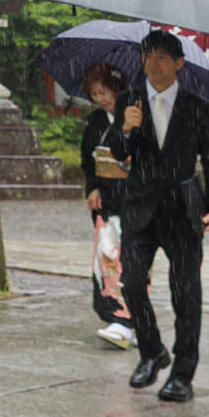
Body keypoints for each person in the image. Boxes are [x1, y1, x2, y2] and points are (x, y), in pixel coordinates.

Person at [114, 30, 209, 403]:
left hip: (183, 210)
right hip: (140, 207)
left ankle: (183, 373)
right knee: (132, 283)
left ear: (179, 63)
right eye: (149, 56)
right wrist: (125, 128)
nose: (154, 64)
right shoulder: (128, 101)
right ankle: (152, 351)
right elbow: (116, 154)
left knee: (186, 293)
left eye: (163, 57)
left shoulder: (200, 107)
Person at [75, 63, 140, 352]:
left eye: (104, 92)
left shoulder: (136, 115)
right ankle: (116, 315)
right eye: (94, 94)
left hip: (134, 198)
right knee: (106, 257)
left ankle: (129, 318)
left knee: (132, 260)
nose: (101, 99)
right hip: (107, 198)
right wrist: (93, 188)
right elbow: (87, 162)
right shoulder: (95, 122)